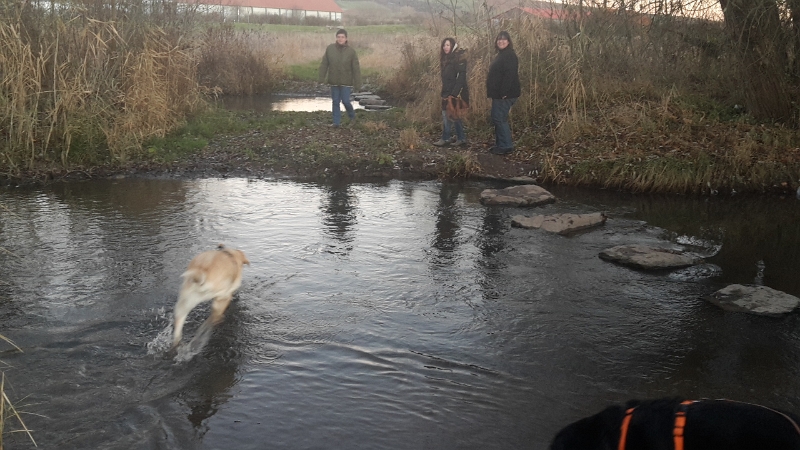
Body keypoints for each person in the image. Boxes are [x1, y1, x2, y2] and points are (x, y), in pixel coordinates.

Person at [485, 30, 521, 155]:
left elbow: (509, 75)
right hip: (500, 94)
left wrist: (504, 92)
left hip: (505, 95)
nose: (501, 41)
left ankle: (506, 146)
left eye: (504, 39)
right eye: (499, 39)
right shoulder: (502, 54)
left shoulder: (509, 55)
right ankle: (500, 144)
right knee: (497, 118)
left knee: (499, 118)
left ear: (509, 42)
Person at [319, 29, 362, 128]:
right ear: (336, 38)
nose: (340, 39)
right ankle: (336, 123)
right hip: (334, 80)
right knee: (335, 101)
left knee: (346, 101)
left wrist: (357, 84)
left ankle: (352, 118)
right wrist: (321, 77)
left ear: (346, 38)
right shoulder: (330, 49)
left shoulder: (351, 52)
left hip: (346, 81)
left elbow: (356, 68)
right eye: (338, 37)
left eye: (342, 37)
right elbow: (324, 64)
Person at [433, 37, 469, 147]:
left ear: (452, 46)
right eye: (444, 45)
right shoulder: (445, 59)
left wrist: (453, 94)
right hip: (446, 91)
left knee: (452, 115)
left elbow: (461, 77)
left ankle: (448, 138)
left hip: (454, 93)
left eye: (448, 45)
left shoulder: (457, 59)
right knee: (450, 115)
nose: (445, 47)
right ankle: (456, 138)